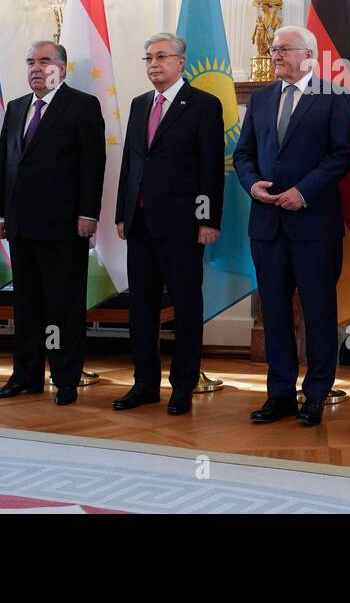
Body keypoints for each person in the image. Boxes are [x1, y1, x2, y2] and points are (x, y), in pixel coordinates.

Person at [234, 25, 350, 426]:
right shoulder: (262, 99)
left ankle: (316, 394)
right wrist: (253, 186)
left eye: (283, 49)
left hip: (314, 225)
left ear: (309, 55)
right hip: (266, 225)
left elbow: (342, 154)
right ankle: (280, 394)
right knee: (273, 312)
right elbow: (243, 155)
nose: (275, 55)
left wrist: (304, 191)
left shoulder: (334, 96)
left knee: (319, 312)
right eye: (273, 50)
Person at [0, 41, 105, 406]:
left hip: (63, 227)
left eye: (44, 61)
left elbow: (92, 164)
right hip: (20, 226)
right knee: (26, 306)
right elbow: (5, 165)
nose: (35, 67)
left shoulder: (83, 106)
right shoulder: (16, 107)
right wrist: (0, 213)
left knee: (63, 307)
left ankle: (66, 377)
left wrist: (89, 214)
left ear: (62, 68)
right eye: (30, 61)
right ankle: (25, 375)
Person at [113, 33, 224, 416]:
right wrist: (122, 213)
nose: (153, 64)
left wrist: (207, 219)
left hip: (183, 224)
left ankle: (183, 386)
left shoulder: (203, 105)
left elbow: (211, 169)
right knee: (141, 308)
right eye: (148, 58)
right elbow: (131, 163)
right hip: (140, 223)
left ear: (181, 62)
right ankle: (144, 383)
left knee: (185, 308)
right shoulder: (139, 104)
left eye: (161, 57)